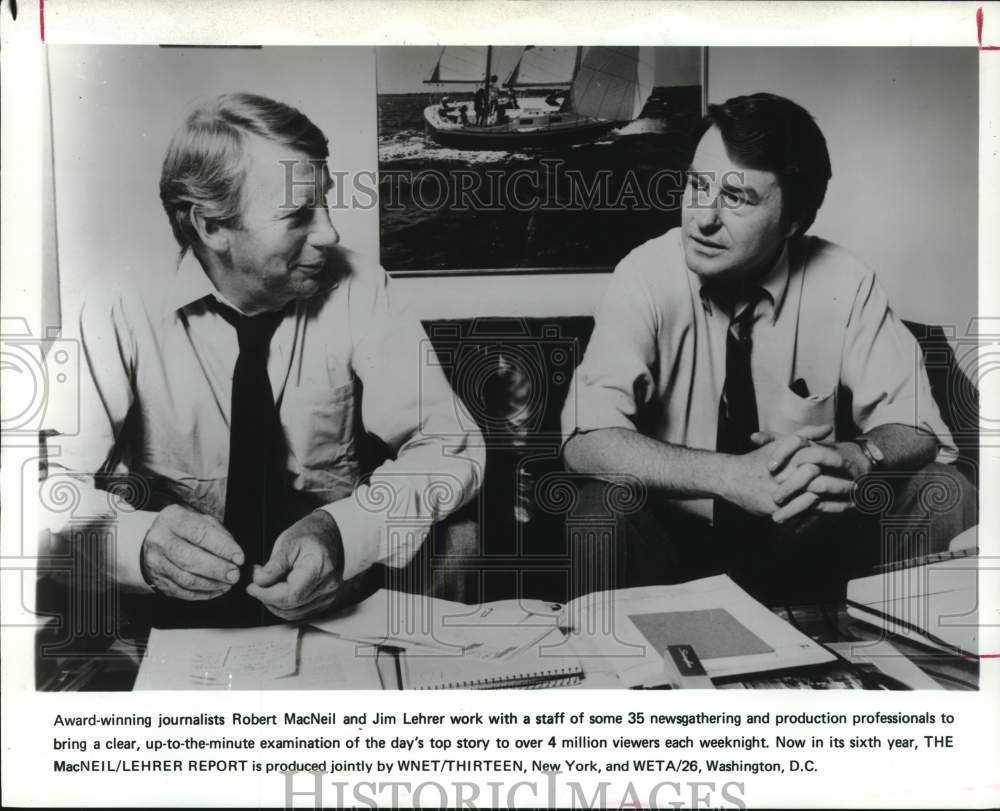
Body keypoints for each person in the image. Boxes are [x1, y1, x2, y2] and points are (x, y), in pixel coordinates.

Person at [42, 93, 484, 627]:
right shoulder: (116, 304)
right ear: (212, 228)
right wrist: (138, 546)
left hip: (336, 600)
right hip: (163, 612)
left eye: (325, 202)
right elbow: (39, 480)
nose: (330, 233)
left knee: (460, 534)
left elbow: (450, 446)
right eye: (298, 215)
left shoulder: (361, 287)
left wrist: (345, 534)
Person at [561, 92, 975, 601]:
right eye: (697, 185)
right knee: (600, 508)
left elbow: (917, 426)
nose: (702, 218)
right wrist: (730, 476)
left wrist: (858, 454)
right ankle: (617, 652)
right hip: (675, 542)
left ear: (794, 221)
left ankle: (915, 648)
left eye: (736, 198)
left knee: (943, 490)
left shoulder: (843, 280)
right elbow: (586, 438)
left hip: (807, 536)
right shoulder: (645, 275)